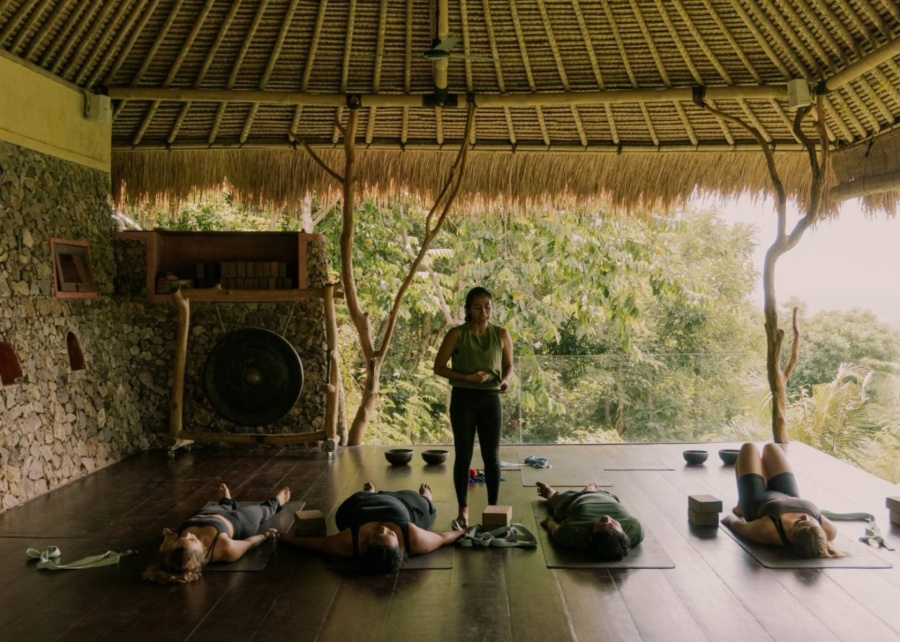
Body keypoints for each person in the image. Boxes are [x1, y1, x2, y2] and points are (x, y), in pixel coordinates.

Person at [433, 286, 514, 528]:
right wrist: (468, 378)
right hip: (463, 399)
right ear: (468, 309)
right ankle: (463, 510)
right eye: (477, 307)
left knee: (492, 457)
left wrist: (506, 380)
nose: (483, 312)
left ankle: (493, 508)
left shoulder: (501, 333)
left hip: (491, 399)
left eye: (487, 306)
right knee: (464, 454)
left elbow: (509, 366)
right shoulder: (456, 334)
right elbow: (438, 367)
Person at [280, 483, 465, 573]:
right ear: (400, 546)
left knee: (347, 509)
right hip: (404, 503)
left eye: (378, 534)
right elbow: (443, 538)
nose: (383, 528)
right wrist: (466, 531)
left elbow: (319, 544)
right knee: (426, 509)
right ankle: (427, 498)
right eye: (391, 533)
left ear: (366, 544)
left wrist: (288, 539)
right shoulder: (414, 540)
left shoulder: (349, 543)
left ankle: (368, 492)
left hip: (364, 504)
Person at [144, 483, 289, 584]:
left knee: (222, 506)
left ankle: (227, 501)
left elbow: (165, 532)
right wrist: (265, 535)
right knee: (261, 510)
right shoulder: (223, 549)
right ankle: (276, 503)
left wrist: (170, 535)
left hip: (207, 513)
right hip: (237, 521)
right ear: (201, 553)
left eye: (183, 537)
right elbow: (248, 543)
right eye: (193, 541)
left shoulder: (167, 548)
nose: (188, 535)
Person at [722, 442, 842, 558]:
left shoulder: (769, 530)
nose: (806, 516)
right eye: (812, 520)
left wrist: (729, 520)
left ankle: (741, 506)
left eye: (800, 521)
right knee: (771, 447)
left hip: (757, 500)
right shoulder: (829, 531)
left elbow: (739, 527)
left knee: (749, 447)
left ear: (791, 535)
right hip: (788, 494)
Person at [536, 481, 644, 561]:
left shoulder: (573, 532)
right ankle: (589, 491)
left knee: (557, 504)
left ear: (591, 535)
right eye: (614, 523)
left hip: (571, 502)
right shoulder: (635, 530)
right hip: (606, 495)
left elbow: (554, 528)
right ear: (623, 532)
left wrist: (549, 521)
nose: (606, 517)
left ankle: (553, 494)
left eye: (601, 523)